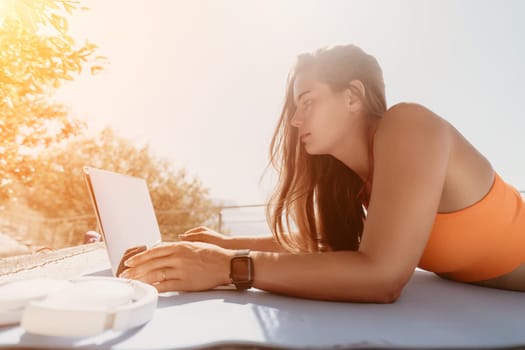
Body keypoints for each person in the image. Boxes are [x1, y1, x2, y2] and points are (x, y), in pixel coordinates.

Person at [119, 44, 525, 302]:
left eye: (307, 101)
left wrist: (227, 264)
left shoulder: (408, 125)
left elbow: (382, 276)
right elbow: (330, 248)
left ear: (352, 96)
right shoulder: (363, 181)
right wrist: (220, 244)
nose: (295, 120)